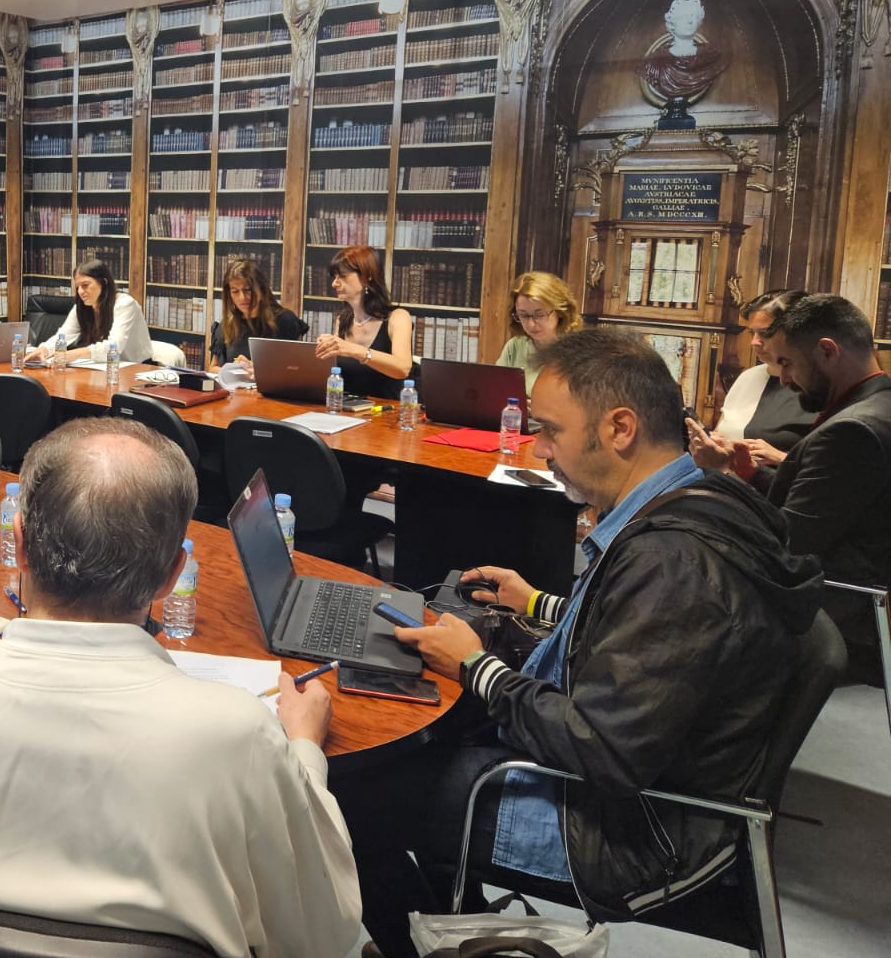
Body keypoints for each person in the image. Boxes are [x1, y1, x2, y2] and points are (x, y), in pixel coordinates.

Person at [340, 329, 819, 957]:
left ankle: (427, 936)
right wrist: (536, 603)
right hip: (646, 793)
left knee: (346, 792)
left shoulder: (671, 560)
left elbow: (603, 748)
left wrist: (476, 667)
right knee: (410, 754)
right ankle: (454, 926)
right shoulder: (700, 496)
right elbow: (644, 638)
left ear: (619, 428)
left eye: (550, 431)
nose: (539, 451)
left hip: (623, 832)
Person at [0, 417, 364, 956]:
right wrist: (303, 751)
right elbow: (328, 932)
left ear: (18, 544)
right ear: (171, 575)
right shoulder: (237, 735)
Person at [691, 294, 891, 682]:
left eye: (787, 363)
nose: (782, 378)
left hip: (842, 610)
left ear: (827, 351)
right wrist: (746, 473)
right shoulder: (878, 405)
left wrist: (723, 487)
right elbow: (819, 504)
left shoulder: (852, 431)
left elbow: (787, 545)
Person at [704, 289, 813, 467]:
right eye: (752, 333)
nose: (755, 342)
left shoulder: (818, 386)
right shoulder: (748, 377)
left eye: (765, 333)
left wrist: (781, 458)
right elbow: (721, 432)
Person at [314, 245, 413, 399]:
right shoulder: (343, 320)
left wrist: (353, 350)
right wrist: (323, 352)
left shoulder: (397, 317)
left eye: (343, 276)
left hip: (385, 411)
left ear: (367, 277)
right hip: (346, 407)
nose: (335, 284)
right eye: (334, 277)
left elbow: (403, 368)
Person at [25, 259, 152, 366]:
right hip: (103, 367)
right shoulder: (81, 307)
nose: (80, 291)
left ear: (104, 282)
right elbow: (63, 336)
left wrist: (75, 354)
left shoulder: (125, 304)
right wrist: (44, 349)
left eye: (85, 285)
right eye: (77, 287)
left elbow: (114, 346)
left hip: (136, 368)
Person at [207, 258, 306, 371]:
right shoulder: (226, 325)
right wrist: (236, 369)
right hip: (234, 387)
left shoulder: (284, 321)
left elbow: (296, 368)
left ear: (261, 289)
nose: (242, 298)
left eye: (248, 290)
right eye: (235, 291)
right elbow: (213, 368)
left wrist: (256, 369)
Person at [494, 271, 583, 395]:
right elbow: (496, 391)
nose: (531, 324)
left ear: (560, 312)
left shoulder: (581, 352)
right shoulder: (515, 346)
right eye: (523, 315)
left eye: (539, 314)